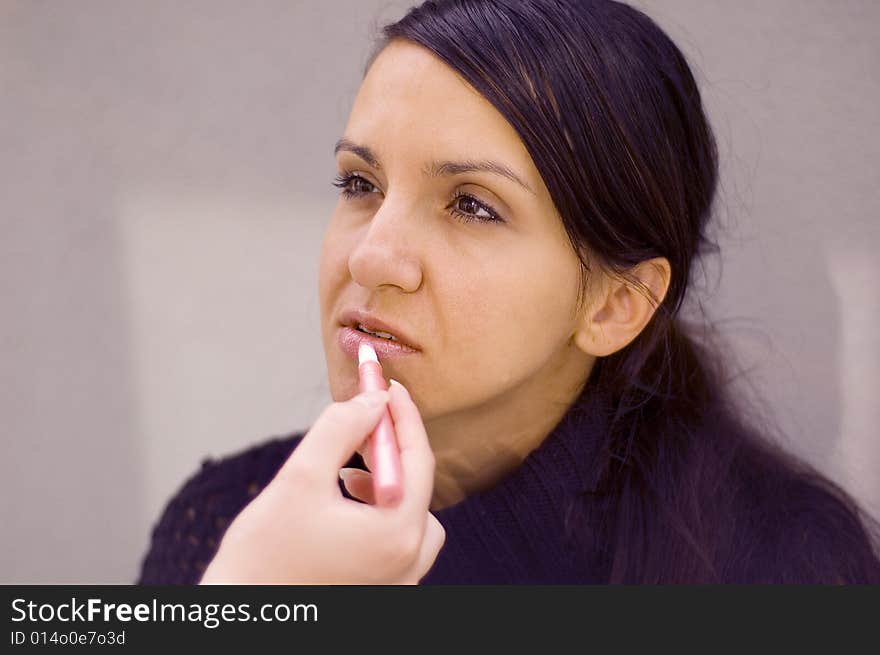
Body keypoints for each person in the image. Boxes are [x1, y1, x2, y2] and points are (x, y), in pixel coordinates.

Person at [137, 0, 880, 584]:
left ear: (615, 303)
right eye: (360, 184)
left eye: (472, 205)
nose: (371, 257)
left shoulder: (788, 565)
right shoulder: (224, 526)